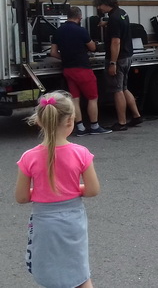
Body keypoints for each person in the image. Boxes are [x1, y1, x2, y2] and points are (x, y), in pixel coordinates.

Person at [15, 91, 100, 288]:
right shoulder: (81, 153)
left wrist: (43, 193)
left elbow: (21, 197)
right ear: (70, 121)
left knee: (50, 271)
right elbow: (92, 190)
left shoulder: (28, 157)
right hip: (73, 221)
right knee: (79, 272)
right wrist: (73, 190)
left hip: (44, 222)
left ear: (39, 121)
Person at [50, 7, 111, 136]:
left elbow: (53, 52)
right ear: (79, 17)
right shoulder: (81, 30)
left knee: (75, 99)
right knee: (92, 98)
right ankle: (94, 126)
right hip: (83, 68)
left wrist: (65, 57)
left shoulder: (58, 31)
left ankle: (80, 127)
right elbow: (92, 47)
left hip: (68, 69)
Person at [94, 0, 143, 131]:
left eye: (99, 5)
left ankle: (121, 122)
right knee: (124, 88)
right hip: (127, 56)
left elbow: (116, 42)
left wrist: (112, 63)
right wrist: (107, 23)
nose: (99, 8)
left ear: (106, 3)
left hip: (118, 59)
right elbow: (120, 26)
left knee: (117, 90)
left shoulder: (114, 19)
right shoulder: (122, 13)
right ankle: (136, 116)